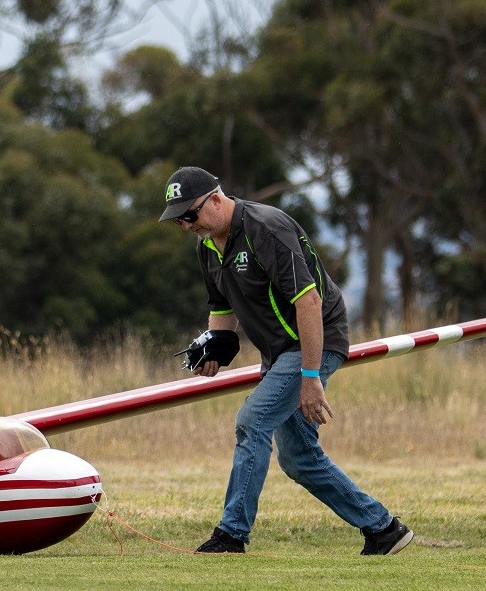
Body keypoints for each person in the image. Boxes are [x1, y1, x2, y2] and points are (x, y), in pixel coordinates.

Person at [160, 165, 413, 557]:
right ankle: (383, 529)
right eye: (179, 220)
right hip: (278, 352)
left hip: (315, 340)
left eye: (189, 215)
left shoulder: (267, 228)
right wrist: (214, 347)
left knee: (252, 421)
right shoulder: (207, 245)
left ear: (214, 199)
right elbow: (222, 309)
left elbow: (309, 302)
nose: (186, 225)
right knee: (298, 459)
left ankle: (230, 536)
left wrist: (310, 376)